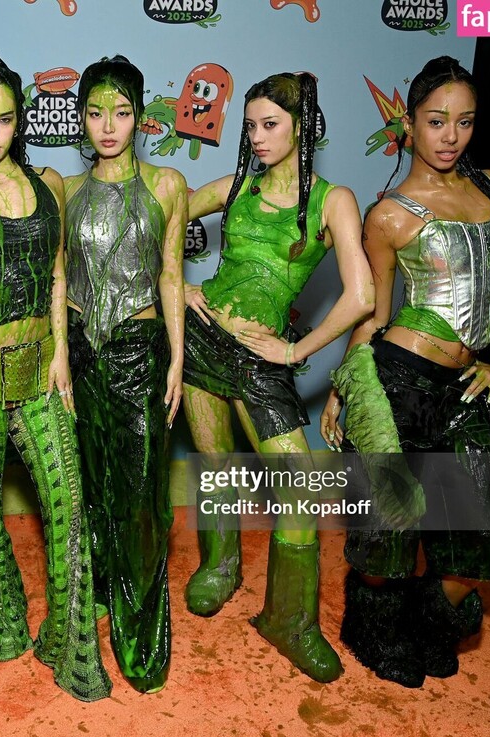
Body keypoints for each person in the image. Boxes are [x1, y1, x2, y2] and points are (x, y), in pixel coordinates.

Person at [323, 55, 490, 688]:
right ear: (409, 125)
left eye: (465, 122)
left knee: (474, 547)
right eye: (437, 121)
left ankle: (423, 624)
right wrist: (342, 388)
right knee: (387, 541)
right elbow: (372, 314)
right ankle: (375, 628)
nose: (451, 136)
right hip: (402, 384)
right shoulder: (388, 215)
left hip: (466, 391)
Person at [182, 72, 373, 682]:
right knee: (216, 463)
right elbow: (161, 211)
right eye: (251, 127)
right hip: (203, 341)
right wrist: (176, 284)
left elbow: (362, 296)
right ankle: (220, 567)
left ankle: (289, 620)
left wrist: (295, 353)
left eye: (271, 125)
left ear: (301, 127)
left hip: (262, 360)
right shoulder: (236, 185)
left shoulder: (333, 200)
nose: (258, 138)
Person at [0, 54, 111, 702]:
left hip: (39, 369)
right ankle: (6, 626)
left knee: (69, 508)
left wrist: (61, 352)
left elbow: (59, 273)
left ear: (19, 122)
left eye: (4, 119)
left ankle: (71, 648)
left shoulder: (49, 184)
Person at [62, 55, 185, 694]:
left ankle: (141, 635)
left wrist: (178, 359)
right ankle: (101, 594)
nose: (108, 126)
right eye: (95, 112)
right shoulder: (67, 191)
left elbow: (171, 274)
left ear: (140, 117)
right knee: (93, 486)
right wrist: (59, 357)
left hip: (141, 351)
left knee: (140, 498)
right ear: (81, 119)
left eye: (121, 112)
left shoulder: (167, 185)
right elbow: (59, 278)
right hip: (81, 352)